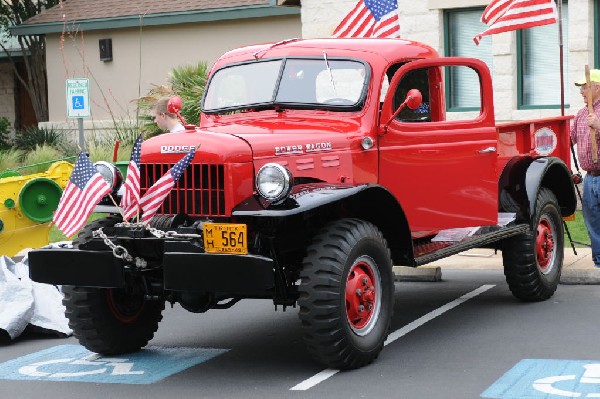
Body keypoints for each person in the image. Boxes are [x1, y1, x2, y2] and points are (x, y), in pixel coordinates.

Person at [571, 69, 600, 267]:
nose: (581, 92)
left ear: (597, 88)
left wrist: (598, 125)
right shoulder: (581, 114)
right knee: (593, 222)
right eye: (581, 88)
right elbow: (568, 139)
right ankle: (599, 261)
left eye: (585, 87)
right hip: (590, 177)